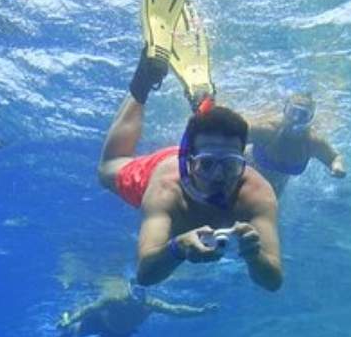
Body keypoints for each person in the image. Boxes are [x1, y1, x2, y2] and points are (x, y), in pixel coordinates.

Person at [97, 63, 283, 292]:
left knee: (209, 142)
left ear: (242, 163)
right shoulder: (166, 190)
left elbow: (274, 281)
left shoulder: (257, 193)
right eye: (207, 164)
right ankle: (141, 87)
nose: (218, 176)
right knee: (107, 169)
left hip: (192, 155)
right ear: (190, 162)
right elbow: (145, 274)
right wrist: (177, 247)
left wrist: (255, 257)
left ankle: (204, 108)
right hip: (161, 168)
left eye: (230, 165)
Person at [44, 278, 217, 337]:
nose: (137, 295)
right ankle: (68, 328)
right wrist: (71, 320)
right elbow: (89, 309)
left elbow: (176, 310)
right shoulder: (114, 299)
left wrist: (201, 311)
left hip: (122, 332)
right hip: (101, 322)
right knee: (76, 331)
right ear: (128, 289)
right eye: (135, 290)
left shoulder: (151, 304)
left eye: (141, 291)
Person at [246, 91, 346, 197]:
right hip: (247, 170)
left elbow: (334, 157)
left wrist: (337, 166)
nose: (296, 119)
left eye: (303, 115)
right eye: (293, 112)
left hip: (276, 186)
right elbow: (236, 134)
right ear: (285, 110)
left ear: (310, 118)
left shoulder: (312, 142)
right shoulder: (267, 130)